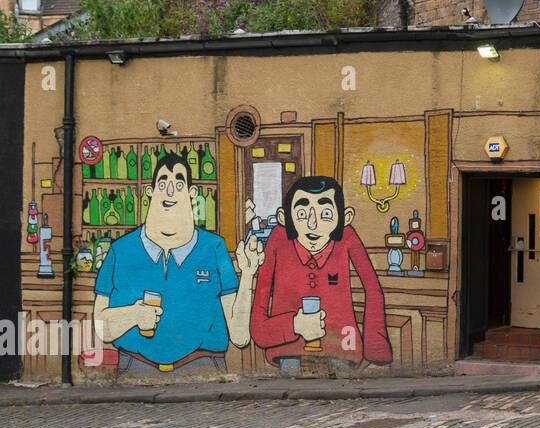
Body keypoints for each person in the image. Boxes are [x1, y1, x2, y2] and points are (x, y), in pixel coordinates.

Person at [93, 153, 261, 374]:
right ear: (150, 191)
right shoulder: (120, 250)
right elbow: (100, 328)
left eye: (178, 183)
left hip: (205, 366)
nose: (170, 191)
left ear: (191, 193)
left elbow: (239, 336)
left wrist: (248, 273)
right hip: (134, 368)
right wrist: (133, 314)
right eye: (163, 183)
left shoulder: (214, 248)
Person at [250, 175, 392, 371]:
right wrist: (295, 325)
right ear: (284, 218)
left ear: (345, 217)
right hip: (289, 352)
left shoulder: (346, 236)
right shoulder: (278, 239)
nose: (312, 224)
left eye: (325, 213)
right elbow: (258, 324)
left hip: (341, 347)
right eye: (301, 214)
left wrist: (376, 349)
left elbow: (373, 289)